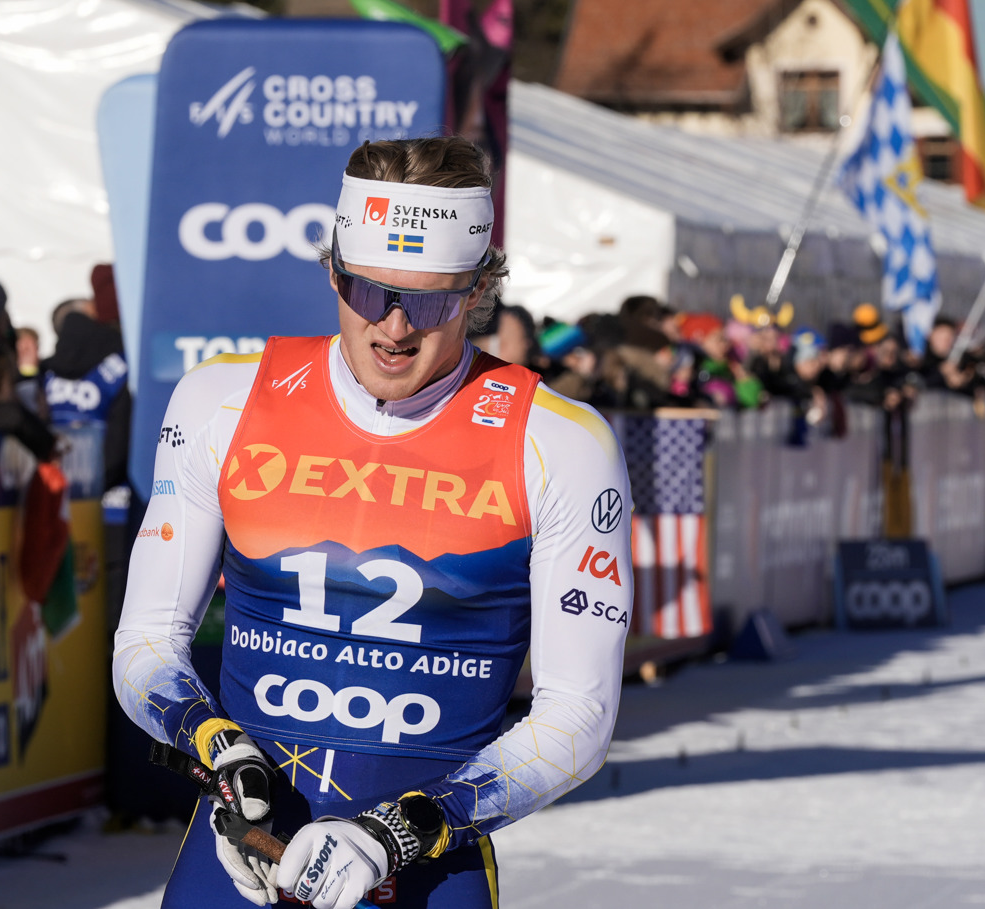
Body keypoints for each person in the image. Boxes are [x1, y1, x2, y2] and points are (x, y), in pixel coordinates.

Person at [113, 136, 633, 909]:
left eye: (429, 300)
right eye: (368, 291)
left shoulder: (558, 442)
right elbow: (146, 641)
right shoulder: (222, 400)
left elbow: (578, 715)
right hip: (244, 847)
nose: (393, 327)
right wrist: (220, 753)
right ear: (333, 270)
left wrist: (400, 831)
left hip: (425, 862)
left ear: (478, 289)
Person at [42, 297, 131, 489]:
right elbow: (122, 439)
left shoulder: (45, 373)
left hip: (55, 486)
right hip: (111, 488)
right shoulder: (121, 369)